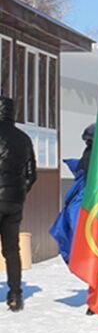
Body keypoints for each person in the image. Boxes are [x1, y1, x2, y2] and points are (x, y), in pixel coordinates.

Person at [0, 94, 37, 312]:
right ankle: (15, 294)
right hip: (14, 202)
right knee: (12, 249)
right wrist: (19, 192)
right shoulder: (23, 139)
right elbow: (31, 174)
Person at [50, 124, 94, 264]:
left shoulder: (92, 152)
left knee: (73, 226)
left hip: (85, 196)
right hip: (86, 195)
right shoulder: (94, 152)